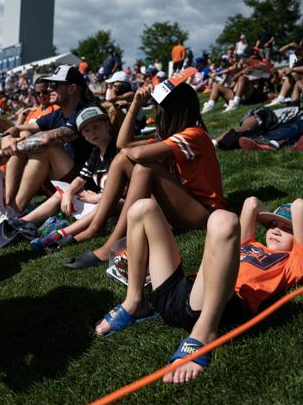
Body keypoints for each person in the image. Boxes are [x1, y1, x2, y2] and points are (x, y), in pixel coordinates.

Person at [93, 196, 303, 384]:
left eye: (286, 228)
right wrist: (268, 219)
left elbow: (301, 206)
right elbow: (251, 203)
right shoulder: (250, 244)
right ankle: (135, 302)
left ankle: (204, 334)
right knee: (142, 208)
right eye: (272, 225)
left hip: (215, 306)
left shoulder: (295, 263)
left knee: (224, 219)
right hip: (187, 292)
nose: (276, 230)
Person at [64, 78, 224, 269]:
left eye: (159, 109)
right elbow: (121, 144)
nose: (157, 114)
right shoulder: (175, 136)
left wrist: (128, 153)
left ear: (172, 110)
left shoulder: (193, 135)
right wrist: (135, 104)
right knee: (123, 159)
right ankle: (95, 227)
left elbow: (136, 153)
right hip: (185, 206)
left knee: (144, 167)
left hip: (205, 213)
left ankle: (111, 245)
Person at [0, 65, 95, 215]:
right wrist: (6, 138)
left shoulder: (85, 113)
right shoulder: (57, 114)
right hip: (61, 180)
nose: (49, 89)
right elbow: (18, 129)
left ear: (72, 88)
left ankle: (14, 211)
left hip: (84, 184)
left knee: (46, 147)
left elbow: (45, 140)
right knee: (23, 136)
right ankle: (8, 205)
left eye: (54, 85)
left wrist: (5, 152)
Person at [21, 106, 119, 251]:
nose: (92, 133)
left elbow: (126, 188)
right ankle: (21, 222)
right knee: (63, 191)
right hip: (101, 201)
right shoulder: (95, 153)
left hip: (117, 202)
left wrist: (99, 197)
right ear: (83, 136)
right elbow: (81, 178)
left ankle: (60, 234)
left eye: (96, 127)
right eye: (87, 130)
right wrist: (68, 193)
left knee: (101, 205)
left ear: (106, 125)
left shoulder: (117, 149)